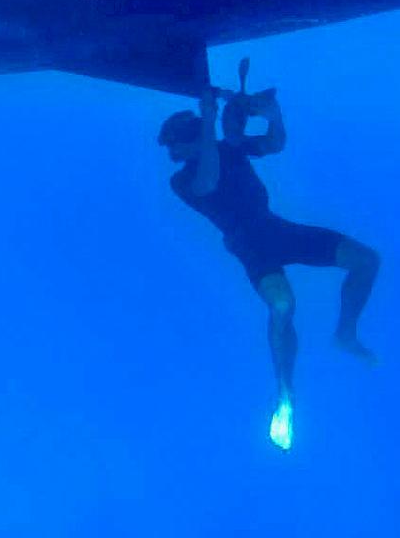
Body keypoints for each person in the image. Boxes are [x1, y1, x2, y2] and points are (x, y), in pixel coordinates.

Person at [158, 86, 379, 450]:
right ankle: (284, 397)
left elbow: (274, 144)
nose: (171, 154)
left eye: (174, 145)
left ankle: (346, 334)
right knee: (282, 305)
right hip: (249, 243)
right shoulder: (181, 181)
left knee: (366, 260)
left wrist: (274, 114)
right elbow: (208, 181)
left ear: (191, 139)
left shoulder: (228, 148)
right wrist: (212, 121)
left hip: (275, 228)